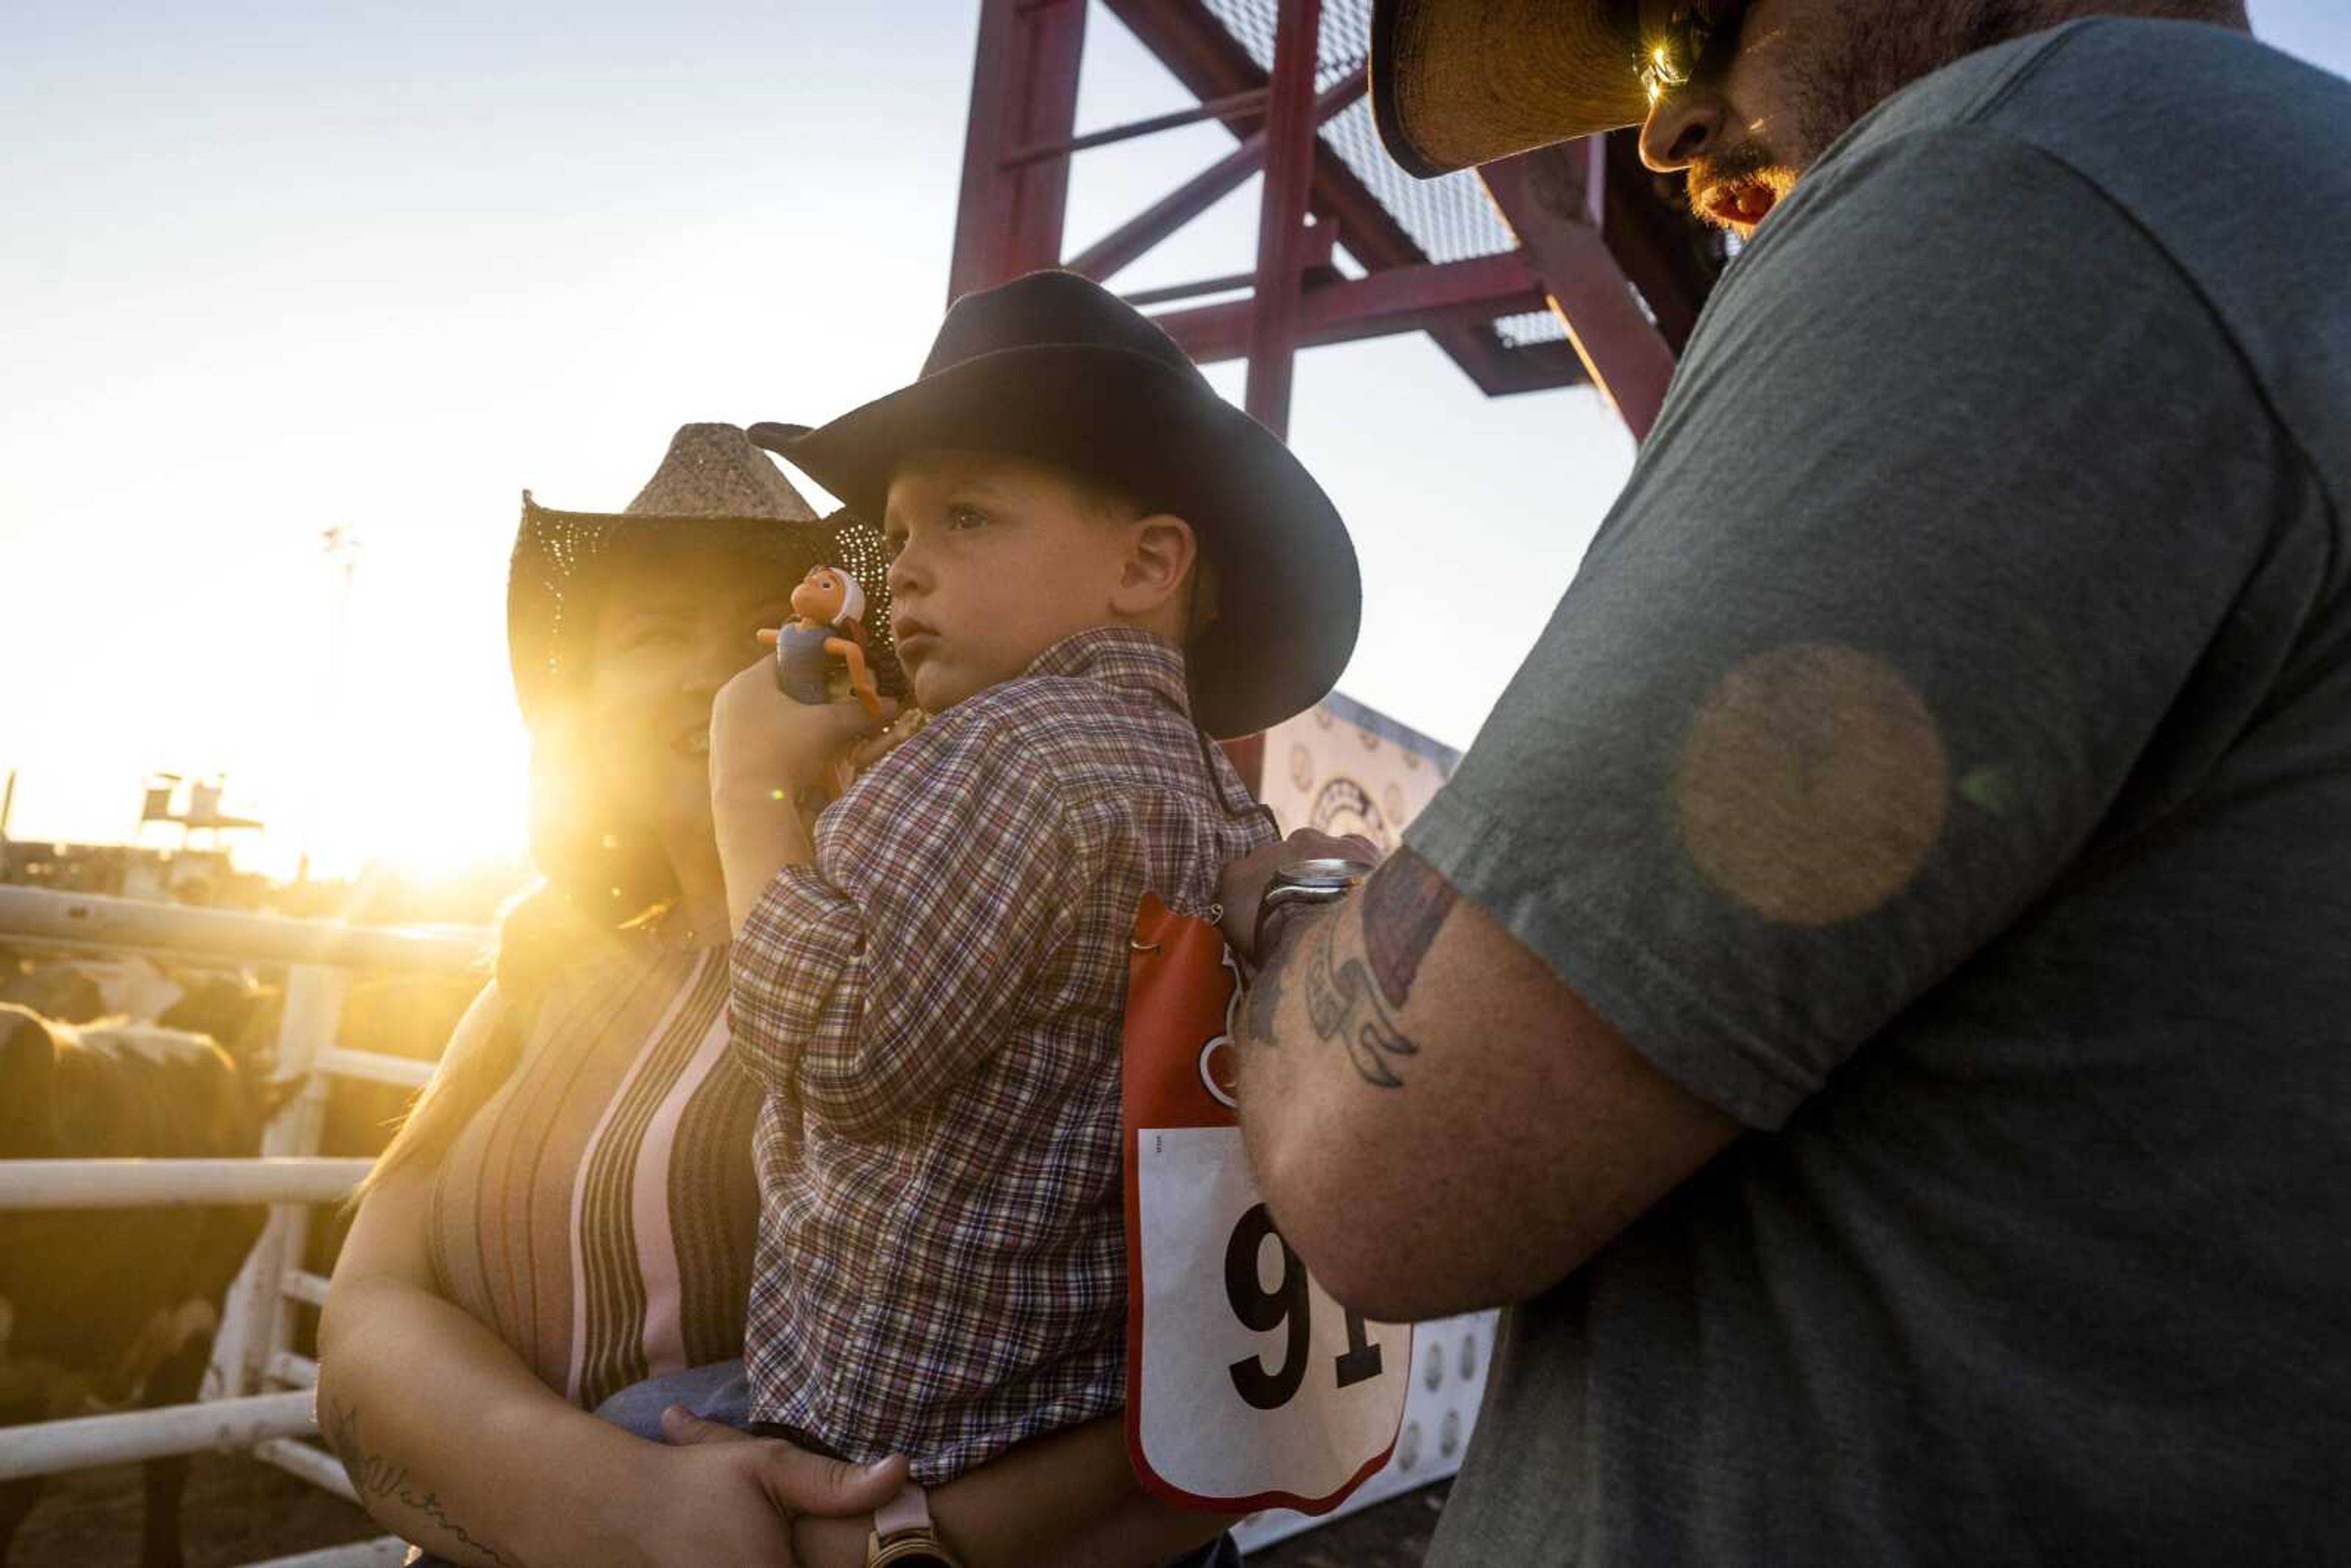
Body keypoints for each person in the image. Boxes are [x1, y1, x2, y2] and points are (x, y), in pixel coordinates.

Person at [1221, 1, 2351, 1563]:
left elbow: (1385, 1173)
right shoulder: (2265, 224)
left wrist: (1294, 907)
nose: (1667, 128)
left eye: (1690, 22)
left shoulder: (2020, 183)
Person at [318, 424, 1234, 1568]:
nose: (724, 668)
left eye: (774, 619)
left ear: (857, 669)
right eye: (655, 631)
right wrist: (621, 1511)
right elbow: (364, 1320)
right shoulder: (543, 964)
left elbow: (1225, 1371)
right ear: (583, 703)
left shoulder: (977, 953)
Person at [683, 269, 1361, 1562]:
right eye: (897, 531)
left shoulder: (1009, 748)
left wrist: (748, 782)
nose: (909, 569)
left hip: (889, 1444)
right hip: (1086, 1439)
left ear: (1148, 560)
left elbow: (840, 1052)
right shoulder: (1219, 804)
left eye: (968, 517)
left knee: (595, 1444)